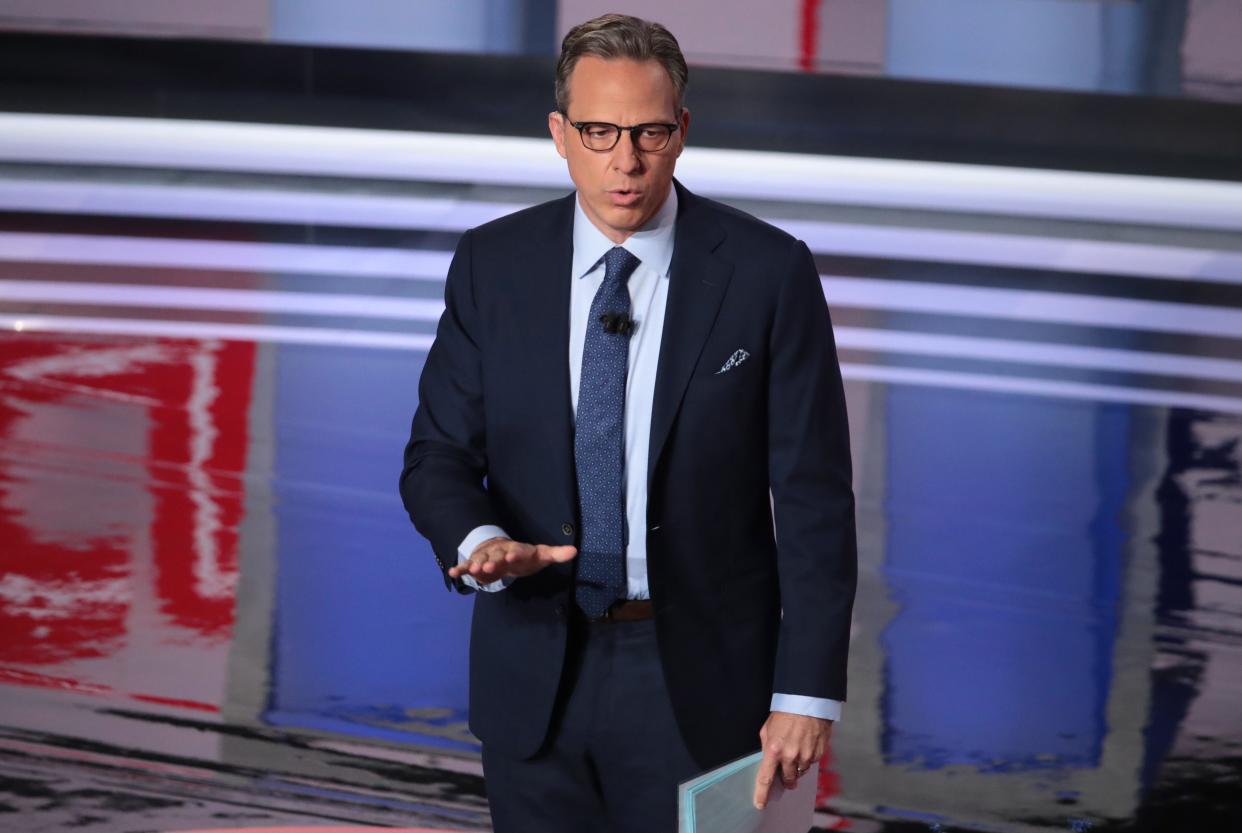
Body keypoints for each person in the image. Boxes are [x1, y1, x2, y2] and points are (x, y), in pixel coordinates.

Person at [400, 13, 856, 832]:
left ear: (681, 132)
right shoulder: (491, 264)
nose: (625, 159)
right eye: (599, 130)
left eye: (648, 131)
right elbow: (435, 456)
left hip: (706, 684)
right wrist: (478, 543)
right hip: (534, 672)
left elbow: (816, 499)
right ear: (559, 134)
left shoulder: (766, 272)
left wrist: (806, 691)